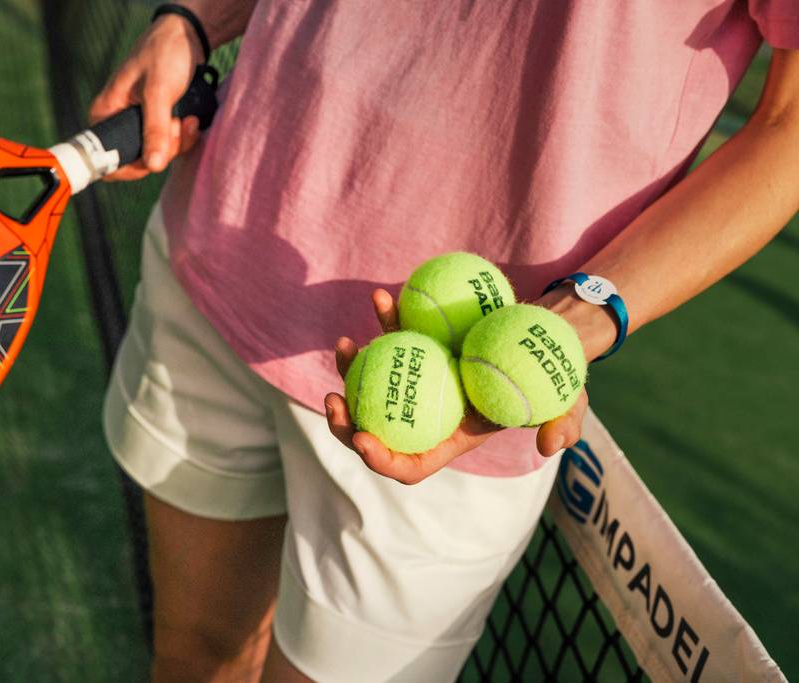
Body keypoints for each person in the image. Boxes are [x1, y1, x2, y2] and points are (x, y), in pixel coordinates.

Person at [91, 1, 799, 680]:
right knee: (191, 657)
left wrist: (585, 311)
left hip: (466, 415)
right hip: (228, 238)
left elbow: (788, 126)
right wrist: (194, 19)